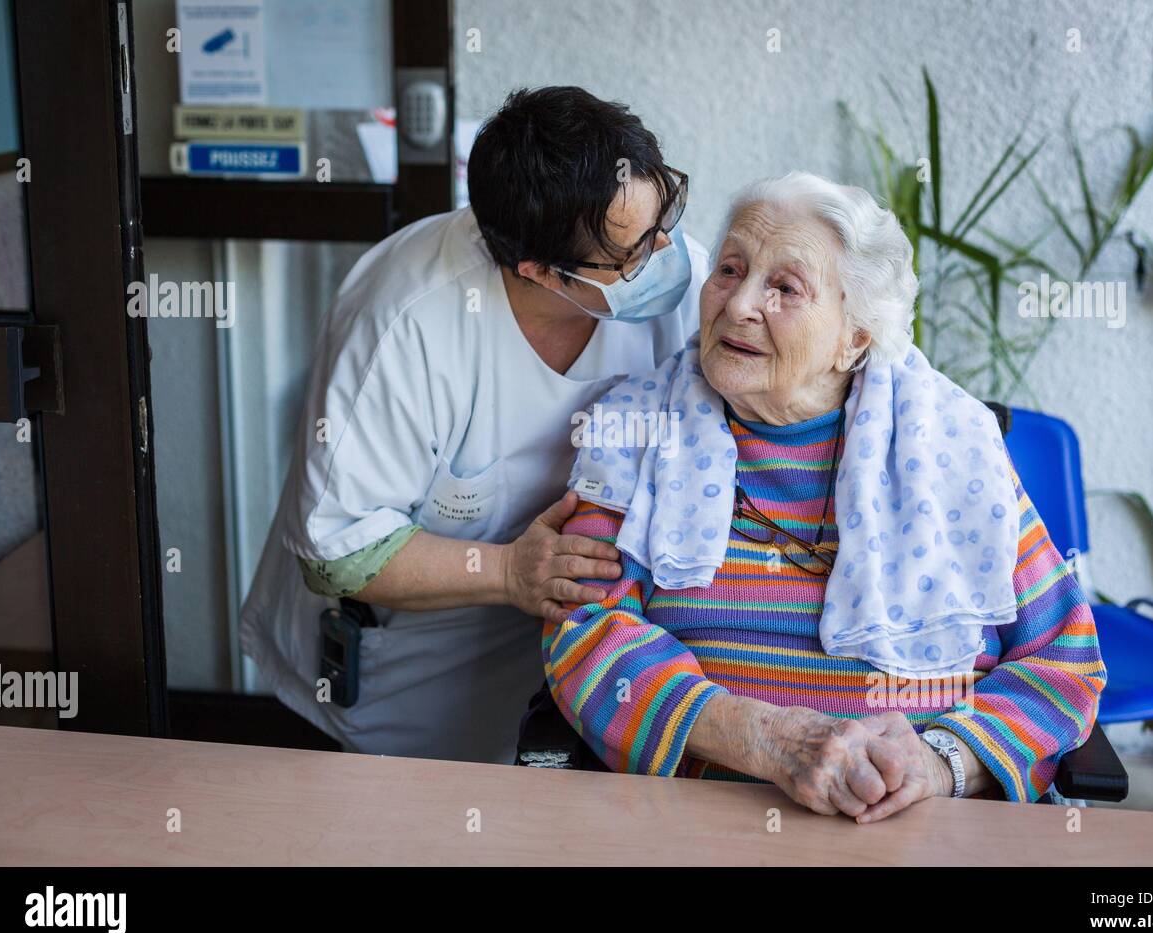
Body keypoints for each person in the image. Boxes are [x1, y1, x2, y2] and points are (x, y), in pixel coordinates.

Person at [543, 172, 1105, 818]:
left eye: (784, 287)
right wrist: (762, 739)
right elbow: (584, 631)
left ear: (855, 337)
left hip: (920, 822)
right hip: (705, 814)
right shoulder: (636, 430)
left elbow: (1063, 663)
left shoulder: (952, 443)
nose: (738, 304)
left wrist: (940, 762)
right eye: (730, 269)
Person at [240, 87, 707, 762]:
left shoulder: (663, 264)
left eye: (667, 212)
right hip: (412, 672)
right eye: (633, 253)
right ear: (540, 271)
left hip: (575, 667)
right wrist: (512, 572)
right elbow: (340, 549)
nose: (666, 250)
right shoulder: (409, 321)